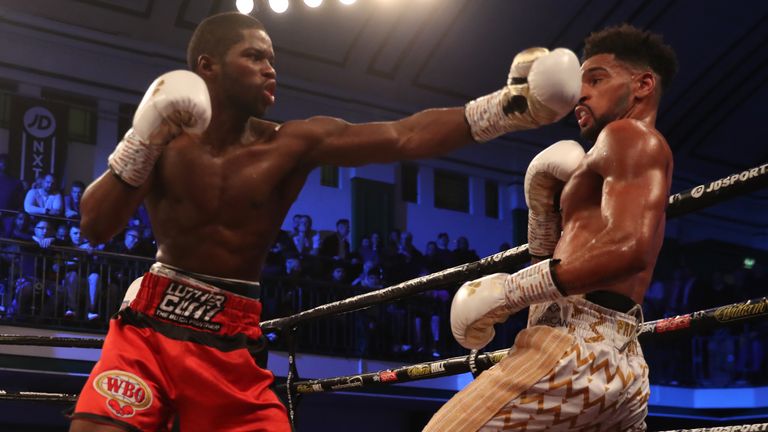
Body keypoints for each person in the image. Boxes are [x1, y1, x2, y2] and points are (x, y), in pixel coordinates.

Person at [70, 12, 580, 431]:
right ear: (209, 66)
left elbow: (403, 136)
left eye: (272, 59)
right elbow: (94, 225)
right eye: (254, 57)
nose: (271, 69)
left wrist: (511, 107)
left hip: (232, 345)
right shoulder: (166, 141)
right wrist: (142, 137)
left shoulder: (291, 143)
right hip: (149, 331)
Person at [424, 24, 677, 431]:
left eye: (596, 79)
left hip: (571, 350)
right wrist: (542, 211)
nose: (581, 94)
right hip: (622, 362)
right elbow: (559, 260)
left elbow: (631, 247)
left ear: (643, 84)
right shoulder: (602, 160)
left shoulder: (628, 135)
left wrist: (510, 292)